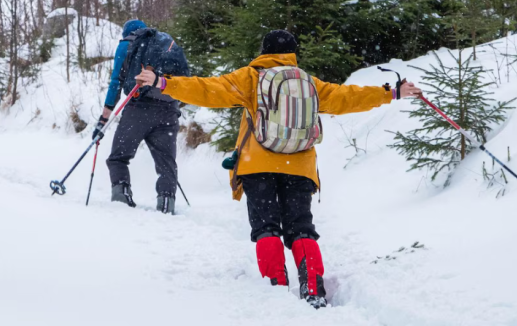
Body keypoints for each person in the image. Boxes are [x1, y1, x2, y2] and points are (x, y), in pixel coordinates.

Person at [135, 29, 422, 308]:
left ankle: (276, 287)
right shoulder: (308, 82)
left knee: (266, 227)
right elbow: (347, 97)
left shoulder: (250, 77)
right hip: (299, 165)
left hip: (257, 164)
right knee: (301, 228)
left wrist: (163, 83)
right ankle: (313, 289)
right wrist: (392, 92)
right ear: (293, 53)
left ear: (264, 52)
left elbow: (208, 89)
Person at [94, 19, 183, 214]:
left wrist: (103, 119)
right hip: (169, 109)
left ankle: (122, 201)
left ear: (128, 33)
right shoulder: (166, 43)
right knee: (166, 163)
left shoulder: (127, 45)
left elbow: (116, 83)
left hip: (138, 109)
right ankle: (167, 204)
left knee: (118, 157)